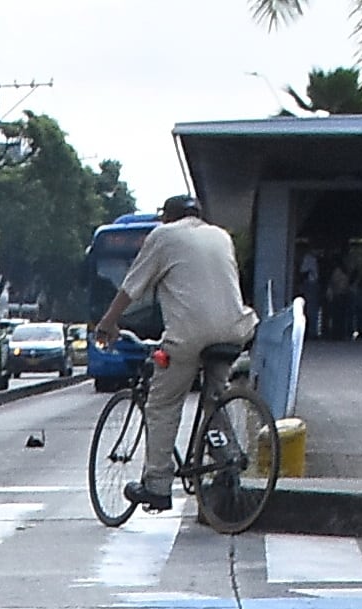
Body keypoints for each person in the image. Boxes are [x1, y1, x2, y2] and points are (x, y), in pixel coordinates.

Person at [101, 193, 254, 511]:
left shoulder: (164, 236)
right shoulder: (220, 235)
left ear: (168, 217)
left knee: (162, 405)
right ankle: (227, 461)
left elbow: (131, 287)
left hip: (190, 335)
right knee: (214, 400)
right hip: (235, 329)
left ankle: (157, 485)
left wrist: (108, 323)